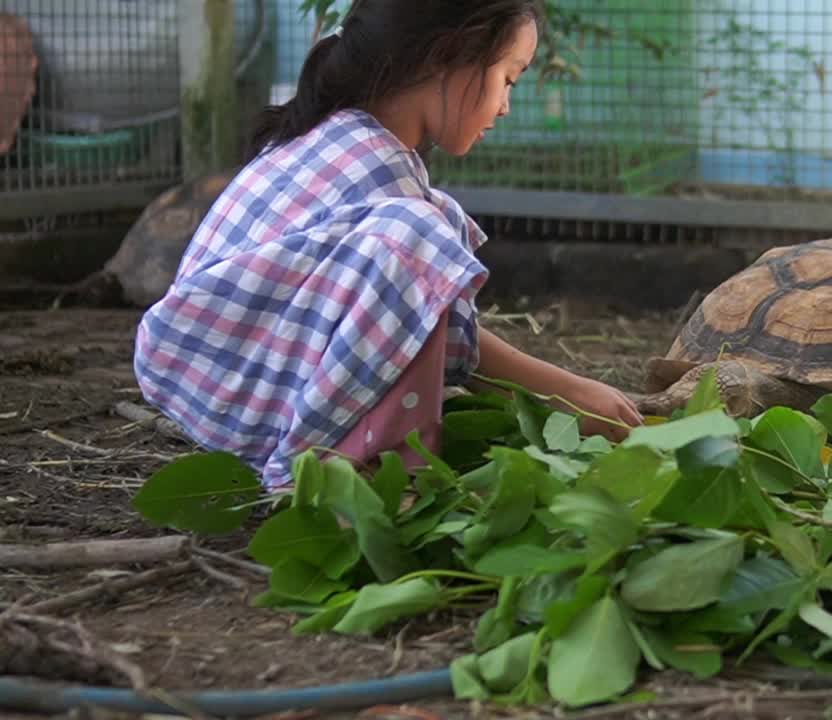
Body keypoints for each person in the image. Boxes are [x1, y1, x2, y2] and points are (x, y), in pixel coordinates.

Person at [133, 0, 642, 491]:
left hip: (223, 379)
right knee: (420, 231)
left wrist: (565, 393)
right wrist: (566, 392)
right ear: (449, 56)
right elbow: (423, 301)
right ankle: (343, 474)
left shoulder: (350, 140)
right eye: (507, 78)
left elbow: (437, 328)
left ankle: (356, 454)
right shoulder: (374, 170)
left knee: (427, 224)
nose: (506, 105)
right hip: (225, 380)